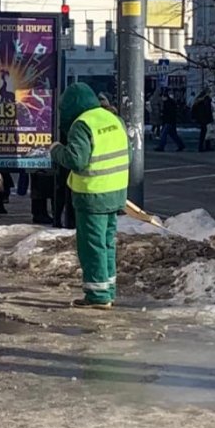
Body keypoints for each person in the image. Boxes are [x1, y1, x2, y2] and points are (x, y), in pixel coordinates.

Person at [51, 83, 130, 308]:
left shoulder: (82, 125)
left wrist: (56, 149)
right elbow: (129, 154)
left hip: (92, 194)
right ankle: (109, 289)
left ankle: (97, 295)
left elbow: (76, 160)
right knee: (107, 243)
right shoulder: (114, 120)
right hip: (115, 193)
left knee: (91, 245)